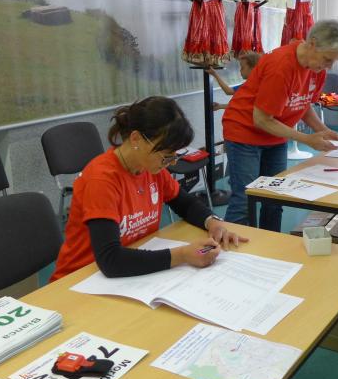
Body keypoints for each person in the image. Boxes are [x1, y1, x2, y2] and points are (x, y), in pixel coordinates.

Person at [51, 96, 246, 281]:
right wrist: (183, 255)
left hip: (129, 270)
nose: (171, 163)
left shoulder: (150, 168)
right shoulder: (102, 180)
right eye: (166, 155)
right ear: (136, 139)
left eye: (175, 156)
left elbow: (185, 204)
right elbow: (110, 260)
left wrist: (213, 223)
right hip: (79, 279)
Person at [222, 19, 338, 232]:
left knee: (276, 198)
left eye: (333, 62)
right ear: (312, 44)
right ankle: (232, 247)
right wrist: (306, 138)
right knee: (245, 199)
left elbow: (303, 104)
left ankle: (270, 245)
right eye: (327, 59)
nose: (328, 67)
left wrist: (323, 130)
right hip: (244, 132)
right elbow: (261, 119)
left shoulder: (316, 69)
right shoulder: (281, 66)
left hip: (275, 134)